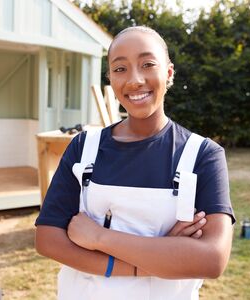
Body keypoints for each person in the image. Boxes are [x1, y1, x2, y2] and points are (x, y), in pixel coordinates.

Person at [35, 26, 235, 300]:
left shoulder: (203, 155)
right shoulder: (83, 148)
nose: (134, 80)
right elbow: (48, 239)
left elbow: (212, 259)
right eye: (120, 69)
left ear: (168, 73)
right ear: (110, 79)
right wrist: (157, 257)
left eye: (147, 64)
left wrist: (98, 238)